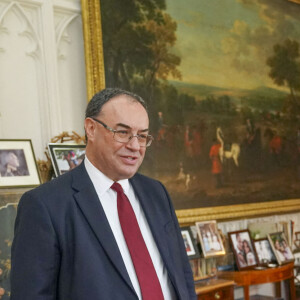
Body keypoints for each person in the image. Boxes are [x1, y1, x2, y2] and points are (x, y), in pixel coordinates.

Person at [11, 88, 196, 300]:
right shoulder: (45, 205)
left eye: (142, 136)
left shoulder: (157, 193)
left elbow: (182, 275)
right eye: (123, 132)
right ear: (91, 128)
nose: (135, 146)